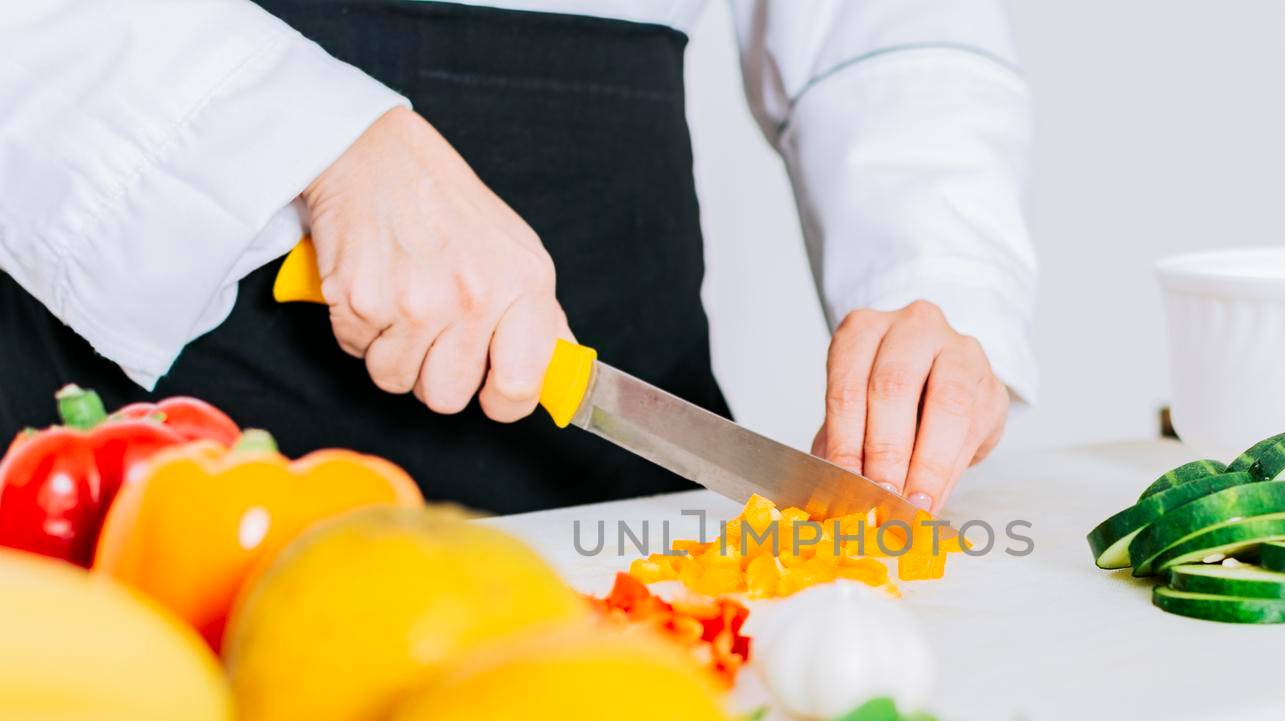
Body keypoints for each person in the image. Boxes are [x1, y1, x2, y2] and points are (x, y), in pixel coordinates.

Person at [0, 1, 1036, 516]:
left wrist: (935, 278)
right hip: (147, 387)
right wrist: (300, 138)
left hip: (611, 361)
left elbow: (892, 31)